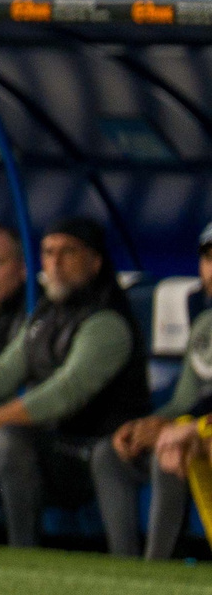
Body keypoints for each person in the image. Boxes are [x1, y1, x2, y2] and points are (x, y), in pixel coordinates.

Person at [0, 219, 151, 549]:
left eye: (68, 253)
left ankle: (23, 553)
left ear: (95, 262)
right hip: (51, 447)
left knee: (10, 438)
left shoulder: (107, 320)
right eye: (49, 253)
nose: (55, 263)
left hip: (95, 448)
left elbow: (61, 395)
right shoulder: (49, 312)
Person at [94, 220, 212, 560]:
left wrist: (176, 428)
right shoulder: (204, 323)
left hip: (200, 433)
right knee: (111, 452)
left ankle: (156, 567)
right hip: (195, 425)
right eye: (207, 259)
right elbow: (186, 398)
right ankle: (126, 564)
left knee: (171, 450)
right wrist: (148, 424)